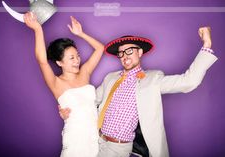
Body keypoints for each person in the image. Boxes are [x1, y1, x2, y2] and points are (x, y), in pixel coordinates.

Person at [59, 26, 217, 157]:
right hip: (94, 140)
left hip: (117, 148)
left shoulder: (152, 79)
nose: (124, 56)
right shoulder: (111, 78)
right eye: (121, 53)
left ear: (140, 52)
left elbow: (188, 82)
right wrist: (68, 111)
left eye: (129, 51)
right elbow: (91, 101)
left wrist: (207, 45)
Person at [24, 12, 104, 157]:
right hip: (75, 139)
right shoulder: (56, 83)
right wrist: (38, 29)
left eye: (78, 56)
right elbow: (42, 60)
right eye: (71, 58)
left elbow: (100, 49)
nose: (77, 60)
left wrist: (81, 34)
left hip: (94, 138)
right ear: (59, 63)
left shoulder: (84, 73)